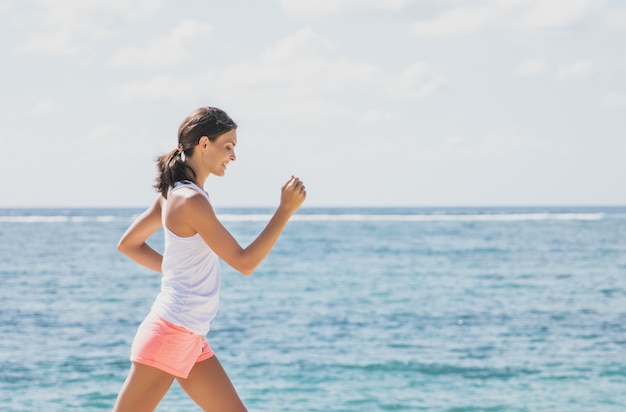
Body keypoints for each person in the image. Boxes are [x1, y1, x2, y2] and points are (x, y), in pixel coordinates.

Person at [113, 107, 306, 411]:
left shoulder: (175, 193)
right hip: (172, 332)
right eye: (228, 146)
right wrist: (284, 211)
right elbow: (244, 263)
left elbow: (129, 245)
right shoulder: (189, 201)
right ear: (204, 144)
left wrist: (174, 272)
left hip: (191, 337)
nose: (233, 156)